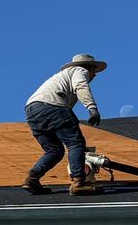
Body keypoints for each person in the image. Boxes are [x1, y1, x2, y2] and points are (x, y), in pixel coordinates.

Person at [24, 53, 106, 195]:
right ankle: (78, 183)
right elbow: (80, 86)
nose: (95, 75)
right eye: (94, 71)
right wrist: (92, 108)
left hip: (32, 110)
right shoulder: (80, 71)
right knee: (75, 143)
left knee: (54, 150)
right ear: (89, 68)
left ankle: (32, 178)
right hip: (52, 106)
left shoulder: (61, 77)